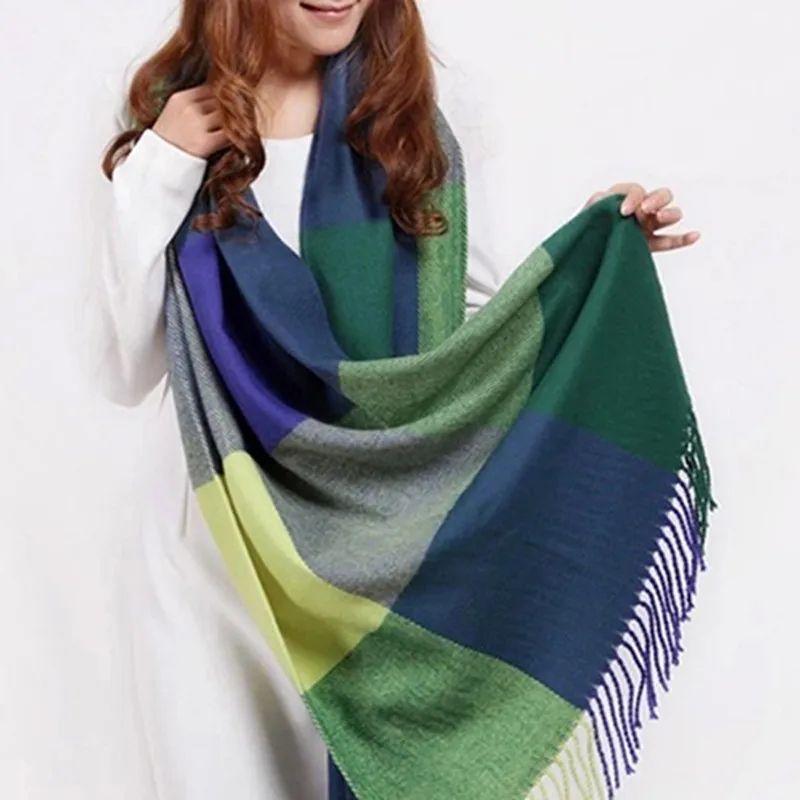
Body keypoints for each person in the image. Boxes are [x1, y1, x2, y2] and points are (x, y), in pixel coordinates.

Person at [94, 1, 701, 798]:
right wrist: (163, 165)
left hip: (383, 570)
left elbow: (471, 345)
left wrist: (585, 266)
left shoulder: (414, 124)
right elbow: (123, 371)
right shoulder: (168, 117)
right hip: (216, 557)